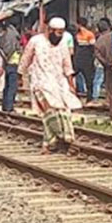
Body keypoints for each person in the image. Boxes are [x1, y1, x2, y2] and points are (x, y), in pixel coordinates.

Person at [18, 17, 82, 152]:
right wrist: (20, 76)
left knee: (64, 111)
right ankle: (59, 140)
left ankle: (52, 142)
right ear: (50, 30)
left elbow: (67, 65)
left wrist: (71, 84)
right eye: (57, 32)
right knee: (49, 112)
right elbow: (25, 59)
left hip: (59, 83)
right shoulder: (36, 41)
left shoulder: (63, 43)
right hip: (40, 82)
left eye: (61, 32)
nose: (59, 35)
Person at [94, 18, 112, 120]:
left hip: (109, 68)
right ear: (109, 27)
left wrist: (108, 64)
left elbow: (98, 56)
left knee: (111, 91)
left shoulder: (98, 42)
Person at [0, 17, 21, 112]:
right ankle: (9, 106)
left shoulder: (6, 33)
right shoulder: (14, 34)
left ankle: (5, 105)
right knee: (12, 86)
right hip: (13, 62)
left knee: (7, 86)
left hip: (7, 63)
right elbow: (11, 49)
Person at [75, 18, 97, 103]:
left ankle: (88, 97)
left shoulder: (78, 34)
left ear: (79, 24)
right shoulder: (90, 34)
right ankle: (89, 97)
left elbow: (93, 47)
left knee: (83, 78)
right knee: (88, 79)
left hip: (81, 59)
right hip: (86, 59)